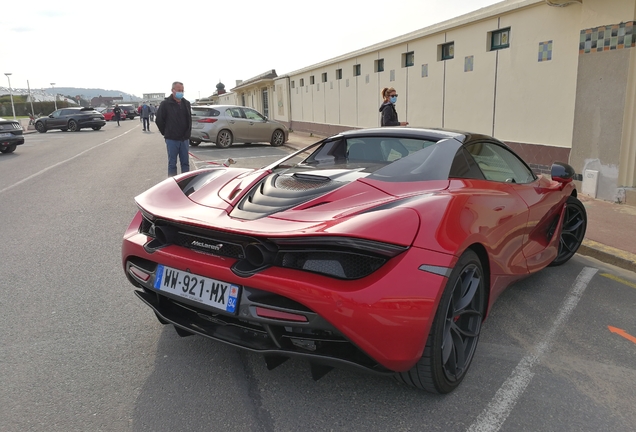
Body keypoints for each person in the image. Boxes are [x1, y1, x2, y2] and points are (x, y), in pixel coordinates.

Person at [156, 81, 192, 177]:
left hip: (184, 139)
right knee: (172, 164)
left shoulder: (186, 103)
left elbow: (189, 120)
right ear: (173, 90)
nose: (181, 92)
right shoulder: (165, 104)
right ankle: (172, 185)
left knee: (185, 163)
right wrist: (166, 133)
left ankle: (186, 184)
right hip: (172, 139)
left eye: (182, 90)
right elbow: (159, 120)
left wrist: (188, 134)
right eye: (179, 90)